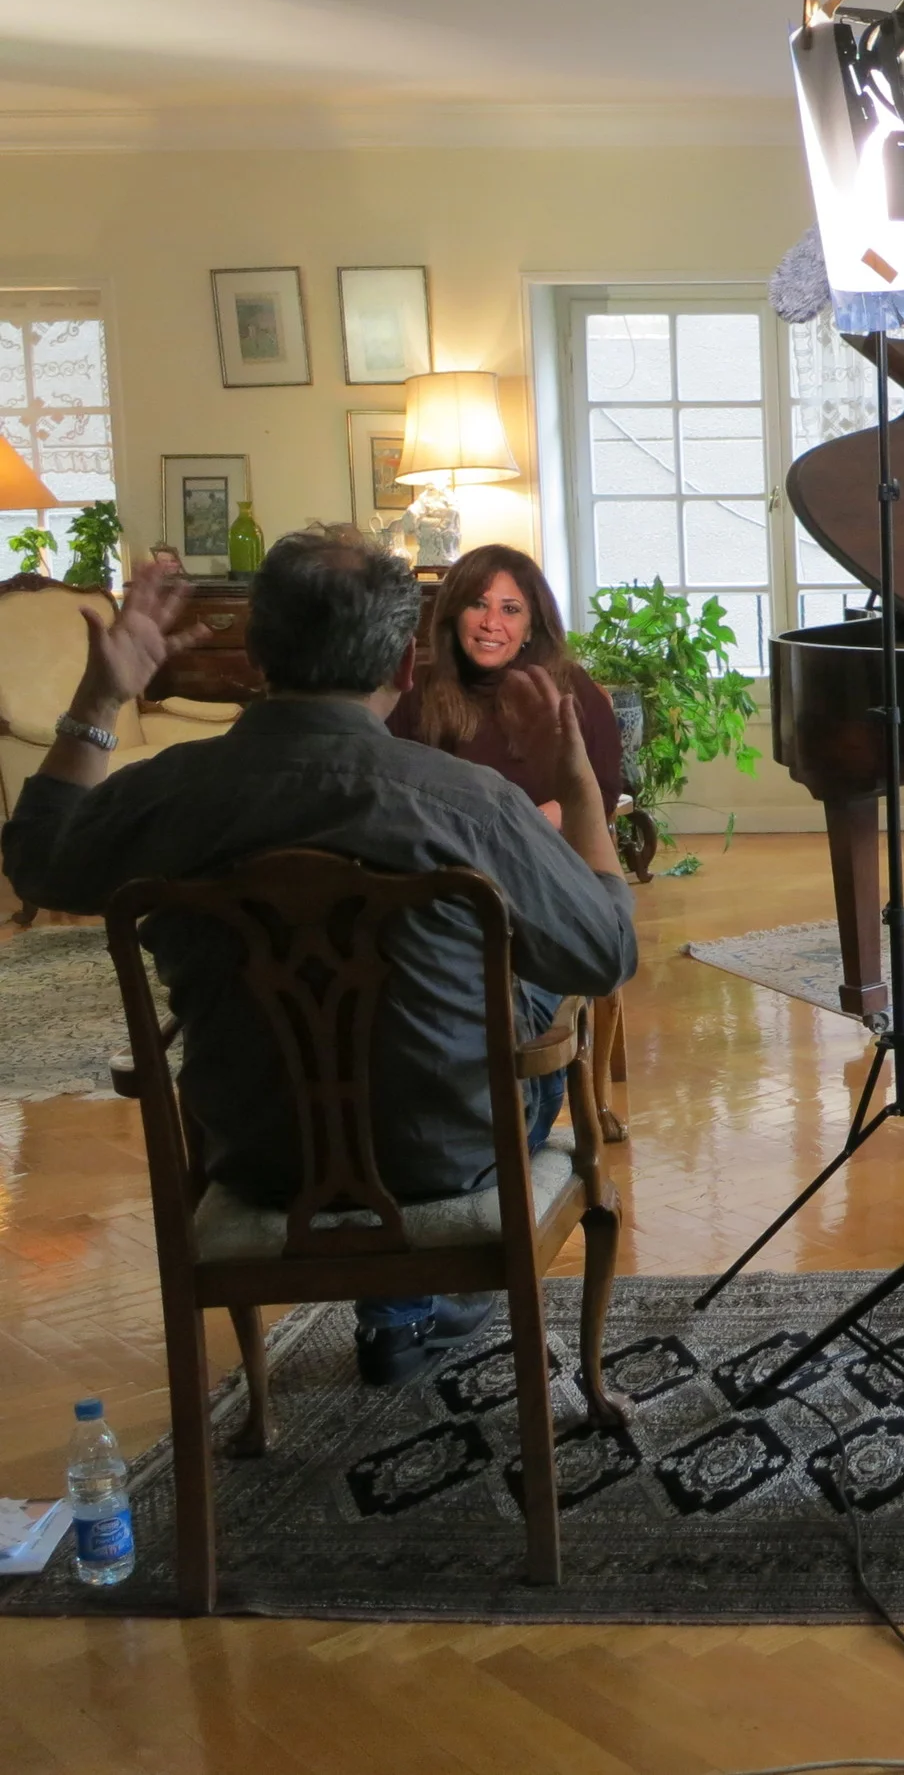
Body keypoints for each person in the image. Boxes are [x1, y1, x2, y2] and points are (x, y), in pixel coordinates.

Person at [1, 533, 638, 1385]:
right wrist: (581, 787)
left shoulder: (169, 792)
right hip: (446, 1161)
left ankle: (399, 1309)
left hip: (253, 1157)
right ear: (406, 663)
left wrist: (103, 696)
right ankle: (424, 1295)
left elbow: (37, 862)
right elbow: (606, 952)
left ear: (256, 653)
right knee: (540, 995)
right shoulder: (470, 805)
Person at [386, 544, 623, 821]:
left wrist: (520, 827)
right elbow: (388, 789)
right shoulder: (413, 689)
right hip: (444, 844)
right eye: (477, 604)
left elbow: (603, 790)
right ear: (454, 615)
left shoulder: (570, 686)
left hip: (543, 841)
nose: (491, 623)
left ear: (531, 627)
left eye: (510, 609)